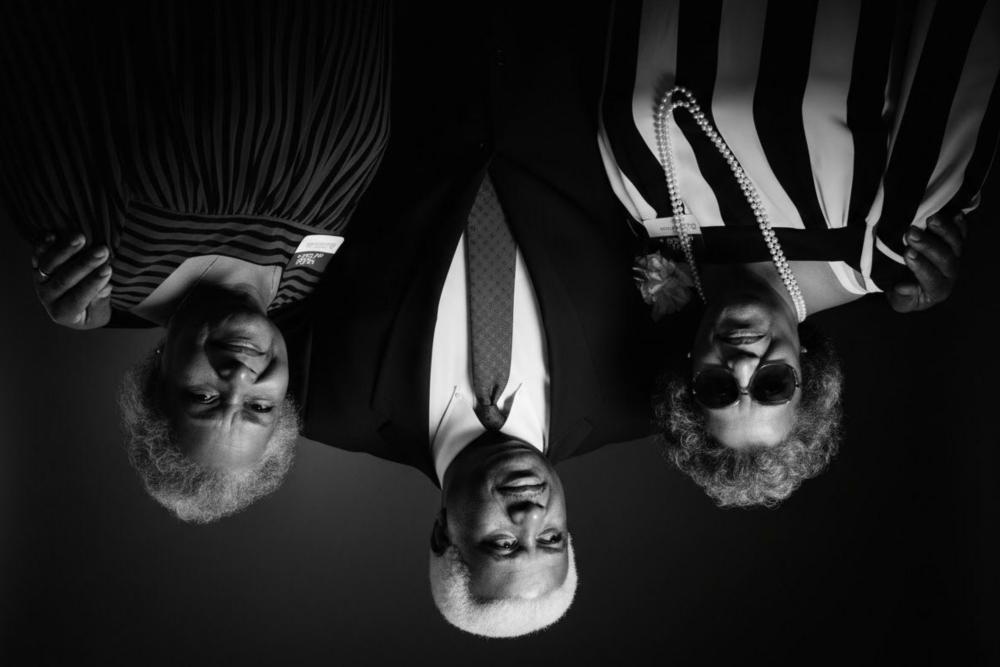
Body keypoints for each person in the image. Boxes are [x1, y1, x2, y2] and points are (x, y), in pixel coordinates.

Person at [300, 2, 651, 636]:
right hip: (572, 32)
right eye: (551, 538)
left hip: (398, 35)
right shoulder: (636, 393)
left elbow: (245, 288)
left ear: (444, 535)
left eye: (503, 545)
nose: (530, 516)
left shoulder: (326, 403)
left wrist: (111, 301)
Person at [0, 0, 391, 522]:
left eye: (204, 397)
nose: (240, 377)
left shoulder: (93, 243)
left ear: (158, 373)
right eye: (260, 407)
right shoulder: (309, 281)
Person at [598, 0, 999, 506]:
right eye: (772, 386)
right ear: (807, 372)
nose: (742, 365)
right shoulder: (891, 241)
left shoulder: (653, 226)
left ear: (690, 371)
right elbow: (958, 32)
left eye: (719, 391)